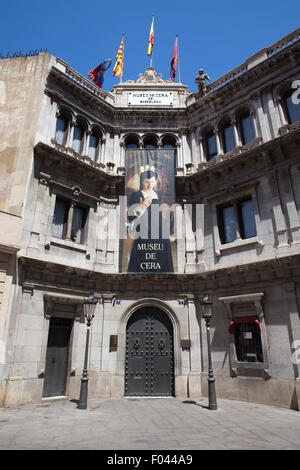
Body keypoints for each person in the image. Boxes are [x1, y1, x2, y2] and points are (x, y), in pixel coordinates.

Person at [127, 166, 174, 273]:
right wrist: (143, 206)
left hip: (159, 229)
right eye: (147, 182)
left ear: (156, 181)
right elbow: (132, 216)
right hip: (144, 229)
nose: (150, 185)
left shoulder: (157, 195)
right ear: (142, 182)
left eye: (152, 181)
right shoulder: (136, 195)